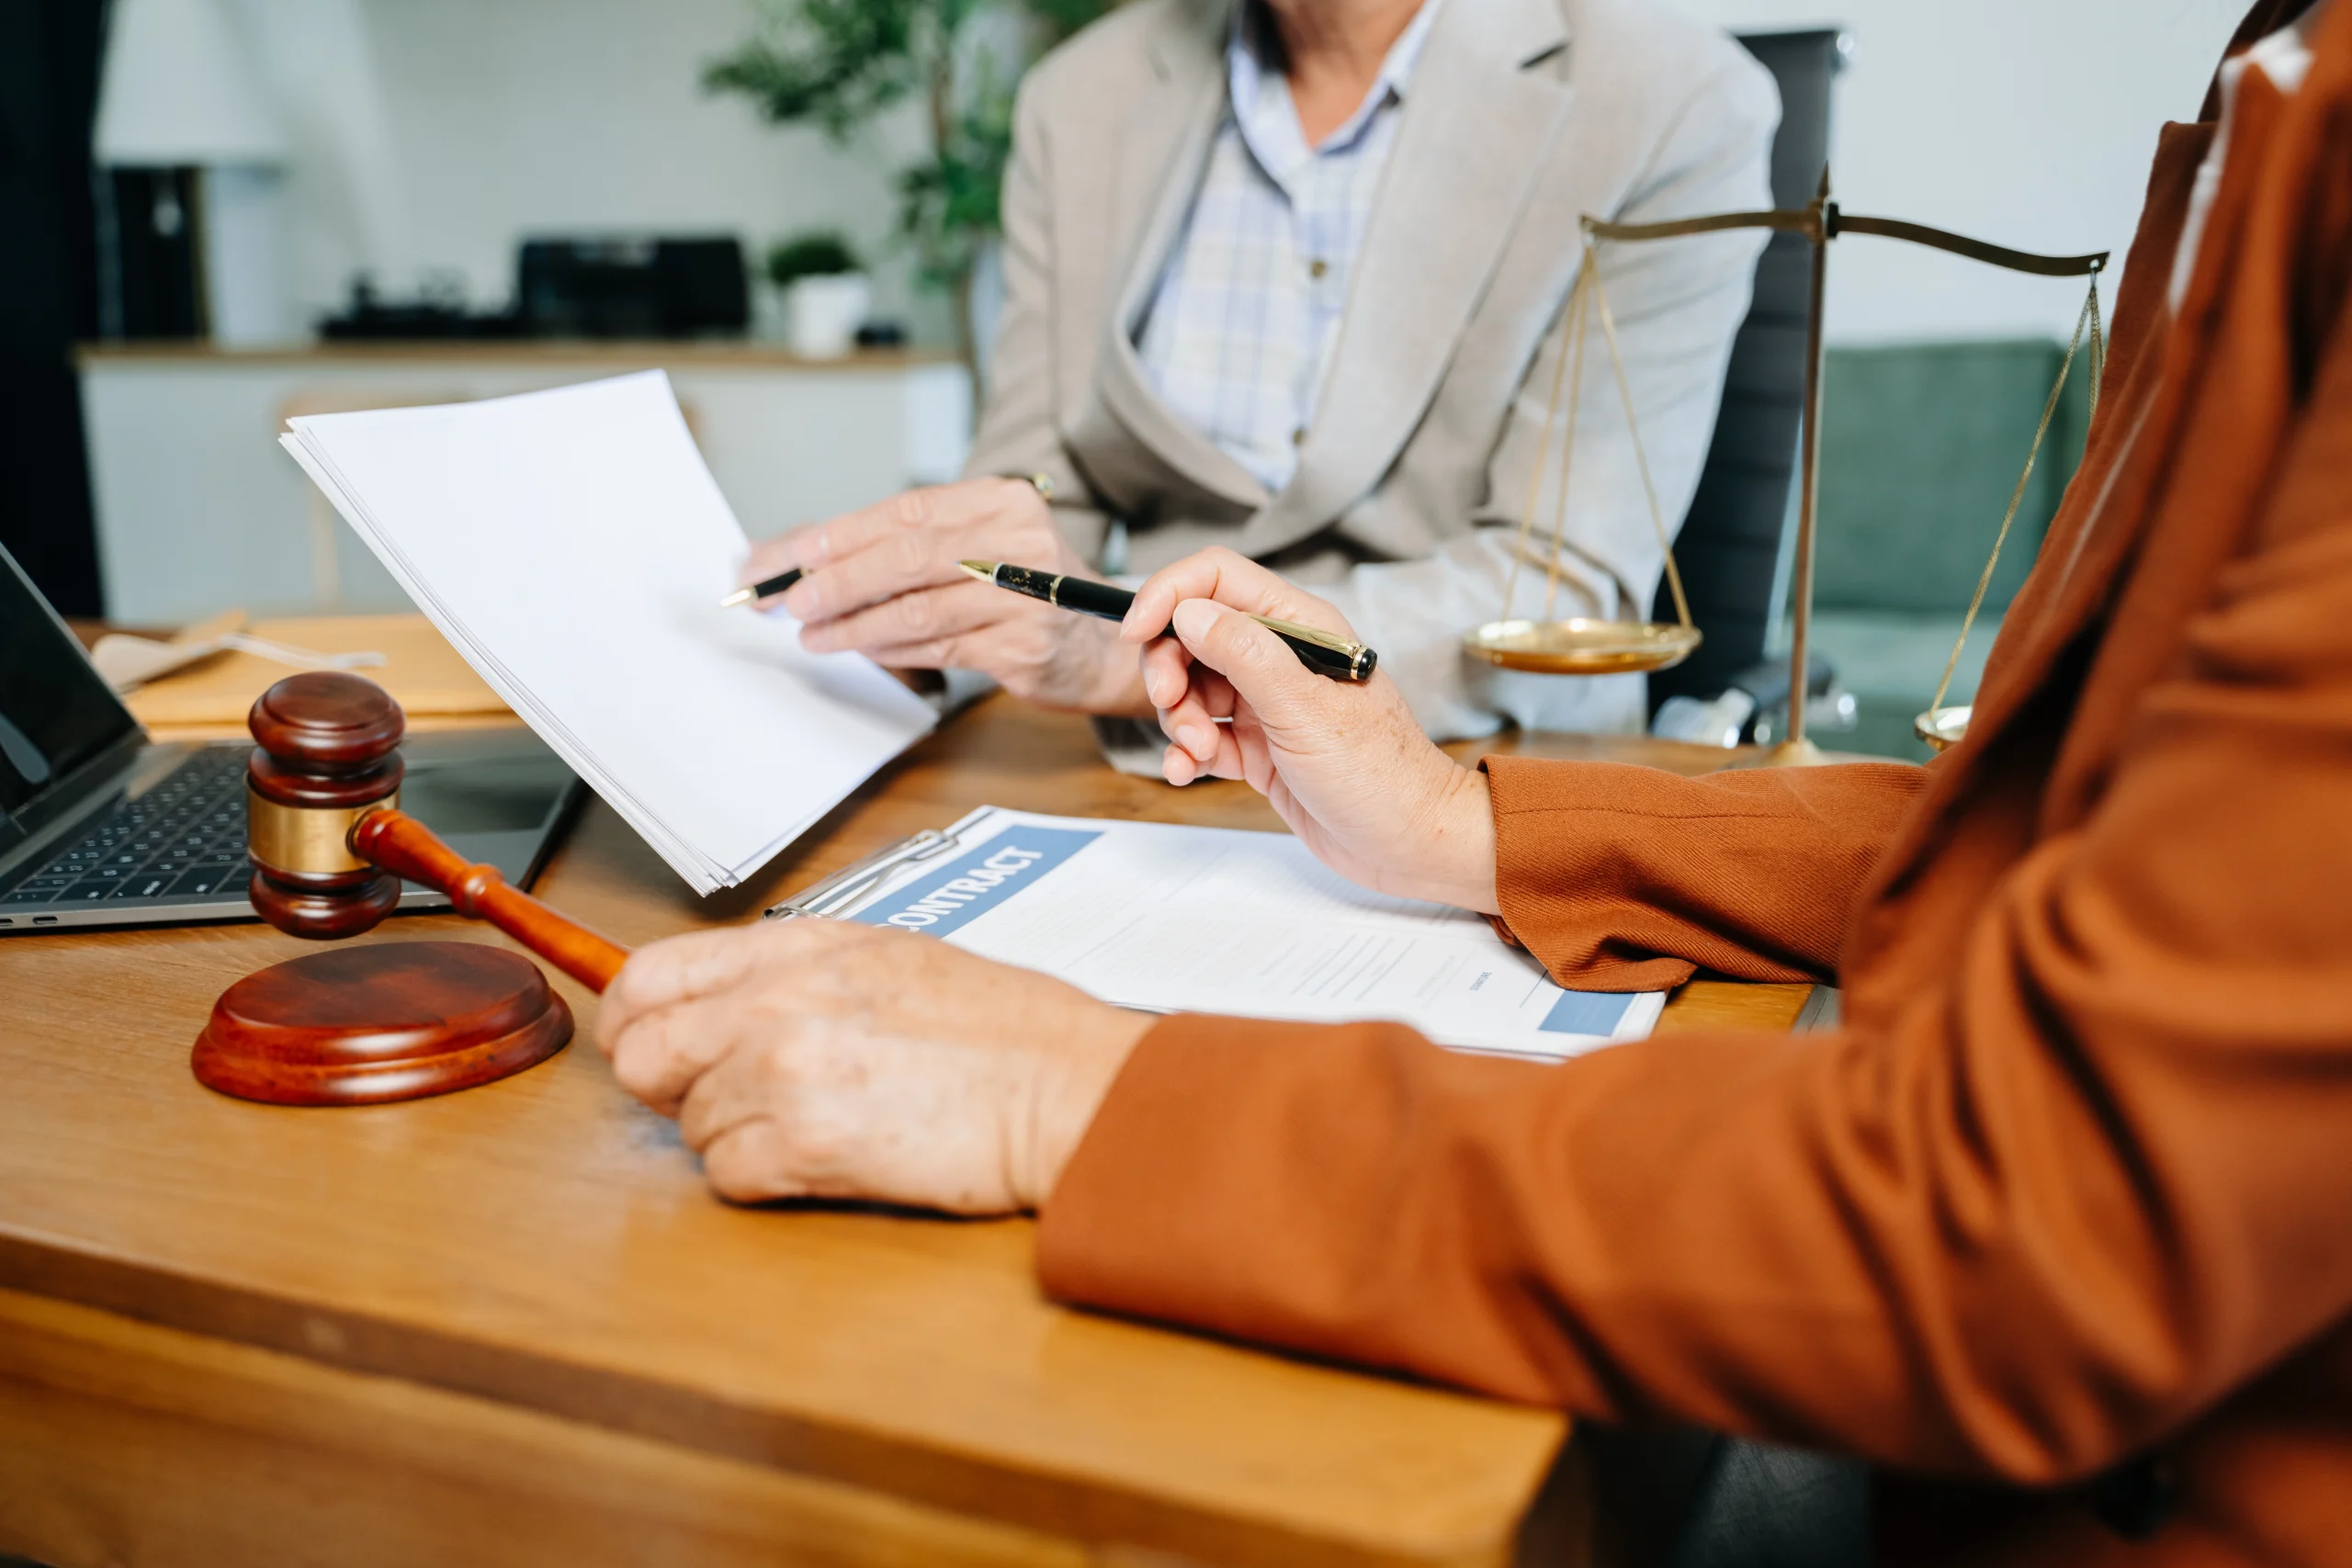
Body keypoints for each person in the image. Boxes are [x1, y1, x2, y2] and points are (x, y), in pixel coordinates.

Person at [598, 0, 2352, 1560]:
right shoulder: (2276, 57)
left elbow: (2043, 1218)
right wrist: (1460, 820)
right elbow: (2066, 840)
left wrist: (1081, 1090)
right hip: (1174, 794)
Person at [738, 0, 1779, 749]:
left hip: (1468, 770)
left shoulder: (1669, 101)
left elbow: (1557, 586)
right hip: (1129, 768)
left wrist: (1135, 654)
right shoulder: (1080, 96)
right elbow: (1037, 486)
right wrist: (924, 611)